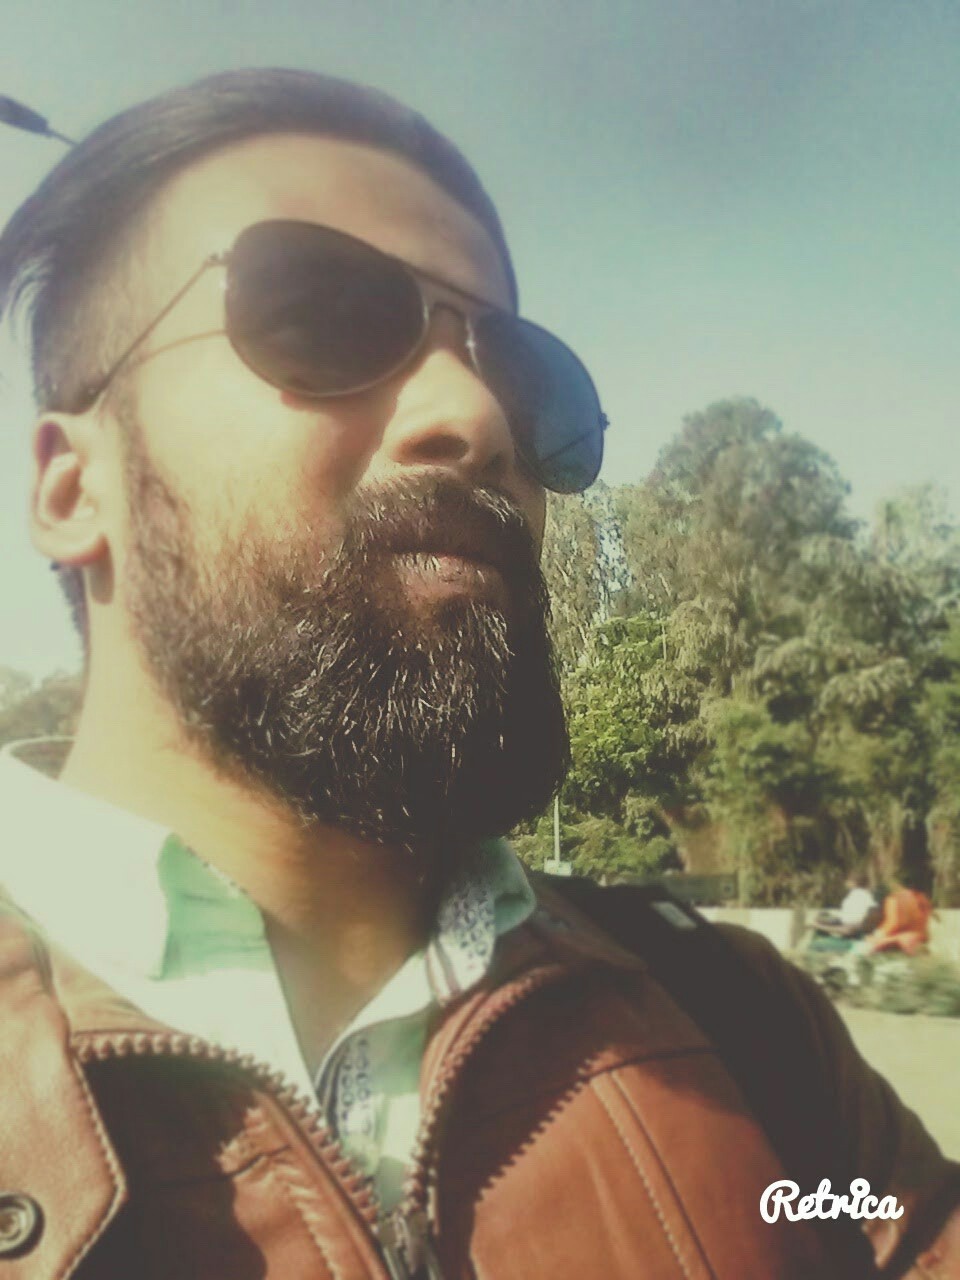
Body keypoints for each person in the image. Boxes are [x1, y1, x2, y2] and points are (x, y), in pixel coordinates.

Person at [0, 69, 957, 1279]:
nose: (474, 413)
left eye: (515, 371)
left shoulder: (739, 1025)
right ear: (70, 486)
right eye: (323, 313)